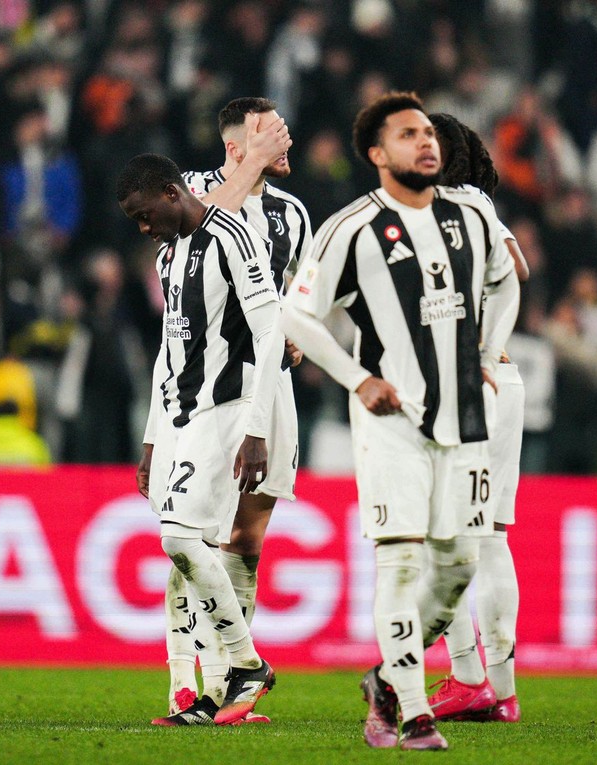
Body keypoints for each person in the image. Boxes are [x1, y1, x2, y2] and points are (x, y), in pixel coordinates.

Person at [281, 92, 520, 751]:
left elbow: (508, 279)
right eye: (408, 134)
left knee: (459, 564)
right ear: (377, 154)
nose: (426, 142)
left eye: (428, 133)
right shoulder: (352, 227)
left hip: (465, 419)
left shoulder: (470, 215)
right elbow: (297, 312)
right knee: (403, 563)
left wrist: (488, 354)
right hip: (393, 422)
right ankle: (413, 713)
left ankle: (386, 679)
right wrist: (358, 378)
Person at [146, 97, 304, 722]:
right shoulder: (195, 189)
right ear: (236, 146)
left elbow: (296, 294)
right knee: (192, 535)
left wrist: (297, 329)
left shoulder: (292, 214)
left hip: (269, 388)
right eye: (270, 132)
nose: (284, 138)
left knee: (245, 539)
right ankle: (186, 682)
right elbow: (200, 234)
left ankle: (228, 689)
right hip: (203, 392)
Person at [118, 153, 280, 726]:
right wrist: (151, 438)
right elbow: (170, 349)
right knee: (189, 552)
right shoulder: (168, 256)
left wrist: (257, 428)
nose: (144, 227)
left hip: (227, 411)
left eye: (145, 214)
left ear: (172, 192)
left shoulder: (232, 237)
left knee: (180, 540)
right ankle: (208, 693)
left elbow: (270, 330)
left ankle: (246, 663)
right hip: (180, 419)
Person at [423, 112, 529, 723]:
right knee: (489, 539)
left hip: (461, 381)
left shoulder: (435, 208)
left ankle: (467, 676)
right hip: (503, 380)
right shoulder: (482, 206)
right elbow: (519, 269)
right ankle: (502, 691)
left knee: (433, 533)